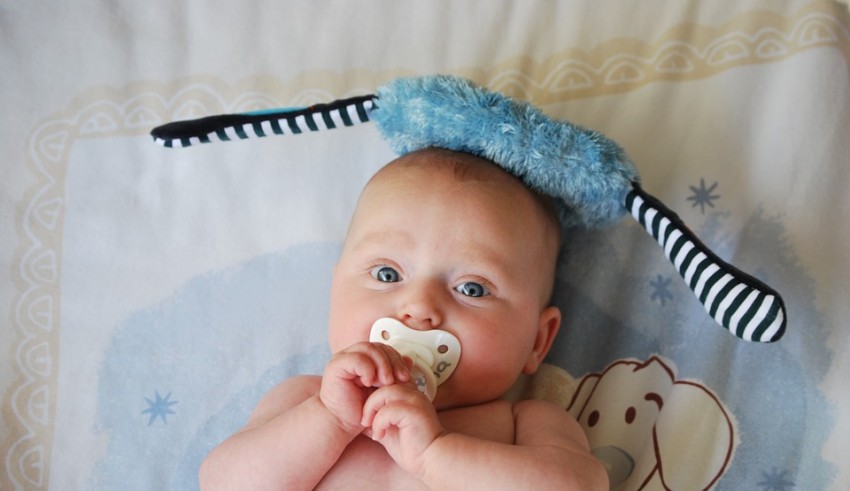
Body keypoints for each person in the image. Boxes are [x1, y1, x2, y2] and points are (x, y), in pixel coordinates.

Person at [198, 147, 608, 490]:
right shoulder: (307, 400)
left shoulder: (523, 423)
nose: (420, 308)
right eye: (387, 274)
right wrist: (331, 419)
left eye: (472, 288)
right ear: (334, 289)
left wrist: (434, 455)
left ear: (538, 340)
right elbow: (222, 483)